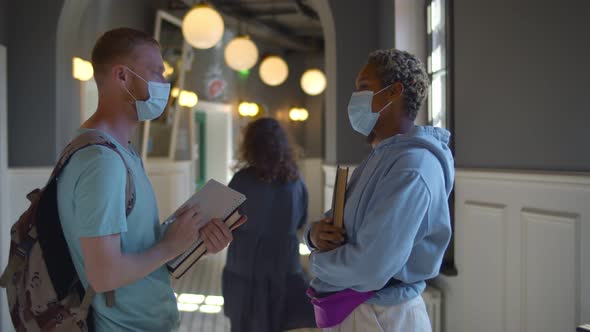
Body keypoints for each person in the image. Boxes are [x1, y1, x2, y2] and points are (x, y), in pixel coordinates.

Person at [57, 28, 244, 332]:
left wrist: (192, 241)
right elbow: (103, 275)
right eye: (155, 71)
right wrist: (170, 246)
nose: (164, 83)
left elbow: (136, 250)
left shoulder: (121, 151)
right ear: (122, 76)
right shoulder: (102, 162)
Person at [305, 49, 454, 332]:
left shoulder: (413, 166)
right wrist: (314, 234)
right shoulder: (383, 155)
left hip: (383, 316)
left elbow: (370, 268)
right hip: (361, 311)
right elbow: (342, 223)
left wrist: (316, 261)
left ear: (393, 92)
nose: (354, 98)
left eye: (363, 87)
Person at [222, 118, 316, 332]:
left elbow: (224, 222)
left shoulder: (241, 180)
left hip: (245, 269)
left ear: (250, 145)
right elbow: (301, 222)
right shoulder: (296, 182)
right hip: (284, 267)